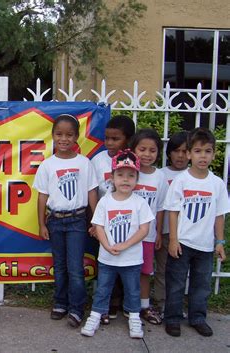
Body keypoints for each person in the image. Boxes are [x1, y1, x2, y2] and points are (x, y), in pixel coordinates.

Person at [164, 127, 230, 337]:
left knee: (201, 285)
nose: (203, 156)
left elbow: (220, 215)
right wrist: (173, 240)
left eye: (208, 151)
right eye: (198, 151)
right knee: (175, 284)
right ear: (189, 153)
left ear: (214, 154)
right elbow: (172, 212)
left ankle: (198, 317)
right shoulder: (181, 181)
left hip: (205, 244)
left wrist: (220, 241)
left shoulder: (217, 184)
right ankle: (172, 318)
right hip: (183, 242)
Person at [33, 114, 98, 328]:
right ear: (52, 136)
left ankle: (77, 308)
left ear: (77, 137)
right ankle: (60, 303)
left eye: (69, 135)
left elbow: (91, 192)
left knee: (75, 267)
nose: (64, 139)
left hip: (77, 220)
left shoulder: (84, 163)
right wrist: (42, 223)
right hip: (55, 220)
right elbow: (42, 196)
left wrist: (95, 221)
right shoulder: (47, 165)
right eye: (59, 134)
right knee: (59, 266)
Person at [81, 149, 154, 338]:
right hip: (107, 258)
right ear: (112, 177)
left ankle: (134, 318)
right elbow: (98, 226)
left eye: (131, 176)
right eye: (120, 175)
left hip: (131, 259)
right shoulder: (105, 201)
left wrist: (124, 245)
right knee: (103, 289)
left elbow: (144, 230)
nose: (125, 180)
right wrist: (105, 245)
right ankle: (96, 315)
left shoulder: (140, 203)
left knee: (132, 290)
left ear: (137, 179)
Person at [91, 115, 135, 323]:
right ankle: (107, 304)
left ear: (128, 139)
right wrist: (93, 222)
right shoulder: (98, 160)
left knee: (128, 265)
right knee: (106, 265)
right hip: (104, 223)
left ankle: (129, 305)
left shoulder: (133, 163)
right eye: (107, 138)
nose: (109, 143)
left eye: (115, 139)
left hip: (129, 224)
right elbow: (92, 192)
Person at [130, 129, 168, 325]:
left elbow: (161, 207)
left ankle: (144, 306)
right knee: (126, 271)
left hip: (148, 235)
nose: (147, 154)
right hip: (126, 235)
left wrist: (159, 232)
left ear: (158, 153)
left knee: (145, 271)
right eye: (142, 149)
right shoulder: (129, 173)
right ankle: (128, 306)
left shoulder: (159, 177)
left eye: (152, 150)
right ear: (133, 149)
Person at [154, 131, 188, 315]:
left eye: (185, 151)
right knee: (161, 269)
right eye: (176, 151)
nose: (180, 156)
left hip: (185, 232)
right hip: (163, 230)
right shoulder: (161, 174)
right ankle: (160, 302)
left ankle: (174, 304)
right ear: (169, 153)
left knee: (177, 272)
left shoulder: (193, 175)